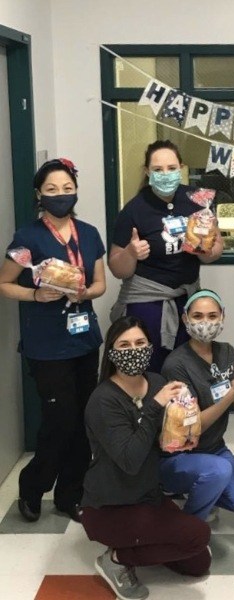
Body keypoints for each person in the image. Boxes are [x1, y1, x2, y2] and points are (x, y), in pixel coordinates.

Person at [0, 158, 106, 523]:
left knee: (82, 419)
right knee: (59, 419)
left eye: (67, 189)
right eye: (51, 190)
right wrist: (35, 296)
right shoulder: (27, 238)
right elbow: (4, 283)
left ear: (75, 190)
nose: (61, 195)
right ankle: (32, 489)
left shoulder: (89, 233)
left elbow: (100, 284)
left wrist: (84, 293)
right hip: (46, 345)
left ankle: (70, 495)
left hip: (83, 340)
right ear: (39, 195)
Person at [81, 316, 211, 600]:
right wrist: (155, 406)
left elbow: (164, 438)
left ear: (150, 348)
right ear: (112, 353)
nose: (133, 351)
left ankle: (139, 546)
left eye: (140, 343)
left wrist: (183, 421)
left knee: (198, 563)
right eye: (124, 345)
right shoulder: (103, 400)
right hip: (110, 506)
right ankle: (115, 558)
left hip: (147, 495)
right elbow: (130, 459)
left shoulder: (155, 382)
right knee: (198, 536)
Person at [108, 140, 224, 373]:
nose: (166, 174)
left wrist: (208, 248)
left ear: (181, 167)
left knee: (187, 367)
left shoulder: (197, 200)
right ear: (147, 172)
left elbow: (216, 247)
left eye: (171, 168)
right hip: (147, 303)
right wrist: (131, 253)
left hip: (188, 300)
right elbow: (117, 268)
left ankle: (185, 410)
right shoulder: (134, 210)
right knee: (150, 368)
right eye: (158, 170)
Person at [159, 289, 234, 521]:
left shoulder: (227, 351)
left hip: (215, 448)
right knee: (218, 471)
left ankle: (202, 488)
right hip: (180, 455)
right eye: (197, 316)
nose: (205, 323)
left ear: (222, 317)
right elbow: (192, 428)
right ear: (185, 319)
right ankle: (187, 526)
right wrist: (233, 391)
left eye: (212, 316)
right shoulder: (176, 364)